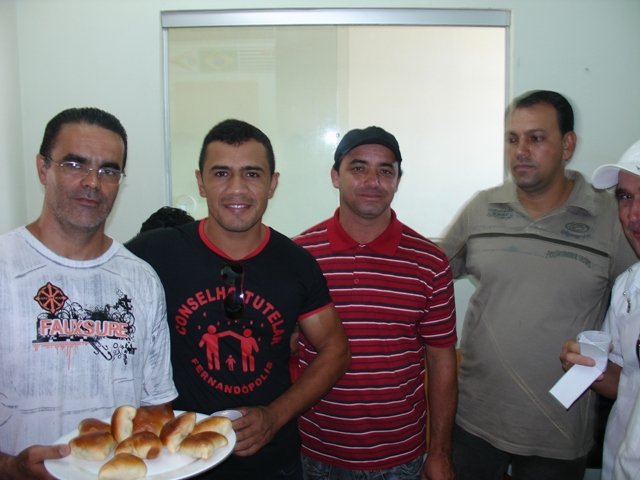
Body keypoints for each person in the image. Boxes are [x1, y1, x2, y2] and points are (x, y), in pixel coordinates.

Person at [126, 118, 350, 480]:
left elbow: (336, 350)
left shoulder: (296, 263)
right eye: (221, 173)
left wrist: (274, 416)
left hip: (272, 463)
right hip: (178, 462)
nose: (237, 189)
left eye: (252, 174)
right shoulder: (156, 252)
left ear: (273, 183)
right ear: (200, 182)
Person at [440, 90, 637, 480]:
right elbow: (428, 274)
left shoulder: (611, 217)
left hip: (558, 430)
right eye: (512, 139)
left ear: (568, 145)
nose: (521, 151)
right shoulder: (482, 208)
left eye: (536, 138)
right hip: (475, 420)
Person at [0, 107, 178, 479]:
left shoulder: (142, 280)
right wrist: (11, 468)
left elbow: (157, 406)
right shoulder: (6, 267)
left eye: (108, 170)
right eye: (74, 164)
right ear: (43, 168)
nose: (93, 182)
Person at [294, 126, 458, 480]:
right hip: (315, 452)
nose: (373, 181)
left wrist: (440, 453)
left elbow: (441, 360)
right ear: (335, 176)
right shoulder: (299, 256)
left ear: (398, 180)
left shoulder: (430, 262)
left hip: (400, 456)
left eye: (385, 171)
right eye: (358, 168)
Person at [560, 139, 640, 479]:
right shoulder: (628, 288)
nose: (633, 214)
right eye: (625, 197)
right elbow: (626, 381)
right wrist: (589, 367)